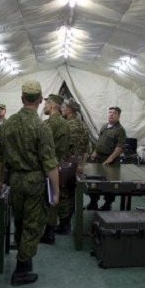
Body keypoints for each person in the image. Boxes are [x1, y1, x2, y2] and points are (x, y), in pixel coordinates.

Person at [0, 81, 60, 286]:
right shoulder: (42, 127)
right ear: (40, 99)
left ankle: (25, 256)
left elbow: (0, 157)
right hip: (35, 182)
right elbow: (50, 164)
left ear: (22, 99)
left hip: (15, 180)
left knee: (21, 220)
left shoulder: (8, 124)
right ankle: (21, 270)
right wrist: (56, 191)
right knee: (33, 225)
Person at [40, 94, 70, 245]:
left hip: (48, 165)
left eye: (46, 104)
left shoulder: (49, 124)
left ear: (51, 105)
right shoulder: (65, 123)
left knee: (47, 199)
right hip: (59, 164)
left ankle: (47, 233)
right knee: (53, 197)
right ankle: (49, 232)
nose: (44, 107)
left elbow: (41, 146)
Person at [86, 106, 127, 211]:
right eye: (110, 112)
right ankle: (93, 202)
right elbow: (99, 141)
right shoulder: (104, 127)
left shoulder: (120, 130)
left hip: (111, 161)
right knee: (94, 181)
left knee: (110, 184)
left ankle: (107, 204)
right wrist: (95, 151)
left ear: (118, 116)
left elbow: (120, 146)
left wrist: (111, 158)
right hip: (99, 159)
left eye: (114, 113)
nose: (111, 114)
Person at [59, 99, 90, 233]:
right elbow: (86, 149)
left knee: (63, 193)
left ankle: (64, 225)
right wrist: (81, 166)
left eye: (63, 107)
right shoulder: (83, 126)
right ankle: (68, 221)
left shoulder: (65, 126)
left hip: (65, 164)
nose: (62, 108)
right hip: (76, 165)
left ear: (69, 110)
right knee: (71, 192)